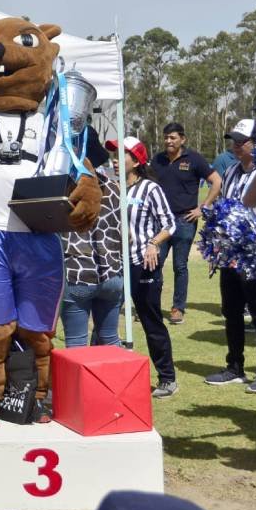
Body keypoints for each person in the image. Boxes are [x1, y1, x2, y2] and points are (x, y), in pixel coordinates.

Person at [203, 119, 256, 394]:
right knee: (231, 311)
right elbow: (224, 207)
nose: (235, 144)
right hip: (231, 254)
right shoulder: (231, 171)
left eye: (241, 140)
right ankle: (235, 367)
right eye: (233, 139)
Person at [108, 137, 178, 397]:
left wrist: (152, 244)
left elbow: (170, 224)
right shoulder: (113, 188)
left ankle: (167, 378)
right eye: (113, 155)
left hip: (143, 264)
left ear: (136, 161)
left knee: (151, 321)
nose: (115, 160)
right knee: (107, 321)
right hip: (115, 265)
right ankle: (108, 378)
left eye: (121, 155)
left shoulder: (150, 189)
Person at [151, 122, 222, 325]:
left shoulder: (194, 159)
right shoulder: (157, 160)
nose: (168, 141)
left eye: (173, 137)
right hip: (161, 222)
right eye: (166, 137)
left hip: (185, 221)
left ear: (183, 139)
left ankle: (177, 308)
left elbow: (216, 181)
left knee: (180, 266)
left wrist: (203, 207)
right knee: (155, 263)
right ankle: (151, 305)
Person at [60, 138, 124, 348]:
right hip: (112, 274)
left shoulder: (65, 191)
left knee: (76, 344)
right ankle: (117, 381)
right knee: (110, 339)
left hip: (77, 274)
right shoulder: (115, 188)